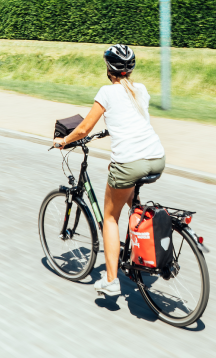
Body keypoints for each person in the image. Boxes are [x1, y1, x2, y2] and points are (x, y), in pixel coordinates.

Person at [53, 43, 166, 297]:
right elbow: (132, 121)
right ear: (130, 69)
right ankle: (142, 244)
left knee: (110, 218)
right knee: (125, 189)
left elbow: (83, 129)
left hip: (130, 163)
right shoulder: (141, 90)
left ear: (109, 69)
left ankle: (112, 280)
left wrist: (64, 141)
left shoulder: (106, 92)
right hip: (156, 157)